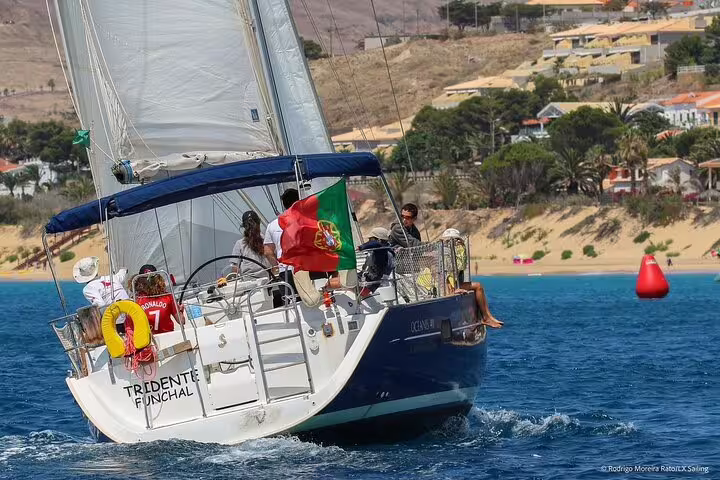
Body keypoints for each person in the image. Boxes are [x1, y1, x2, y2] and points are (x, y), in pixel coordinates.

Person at [439, 230, 503, 329]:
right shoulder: (446, 255)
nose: (458, 244)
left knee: (479, 286)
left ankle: (488, 316)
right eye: (455, 241)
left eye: (458, 241)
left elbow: (454, 273)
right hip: (447, 286)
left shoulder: (454, 253)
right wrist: (453, 289)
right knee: (478, 286)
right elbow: (447, 275)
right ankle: (486, 317)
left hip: (454, 283)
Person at [264, 188, 300, 307]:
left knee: (292, 306)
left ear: (284, 204)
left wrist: (276, 266)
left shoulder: (272, 225)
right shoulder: (307, 220)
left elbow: (268, 252)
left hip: (286, 271)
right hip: (307, 268)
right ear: (299, 201)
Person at [357, 227, 394, 299]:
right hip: (364, 278)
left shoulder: (381, 250)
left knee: (339, 283)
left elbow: (376, 244)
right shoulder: (381, 250)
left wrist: (361, 247)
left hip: (369, 282)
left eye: (370, 239)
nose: (369, 241)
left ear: (379, 240)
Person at [232, 211, 271, 278]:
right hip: (268, 280)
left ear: (244, 226)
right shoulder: (267, 240)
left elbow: (235, 267)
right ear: (259, 223)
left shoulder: (239, 244)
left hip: (248, 283)